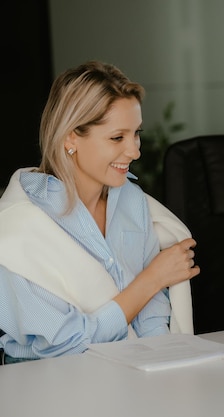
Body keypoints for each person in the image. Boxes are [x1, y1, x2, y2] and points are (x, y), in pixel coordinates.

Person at [0, 61, 200, 364]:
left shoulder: (132, 201)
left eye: (136, 134)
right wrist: (152, 278)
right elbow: (63, 345)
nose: (134, 151)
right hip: (49, 385)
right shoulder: (20, 226)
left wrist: (168, 368)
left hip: (130, 374)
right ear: (71, 138)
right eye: (117, 137)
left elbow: (152, 319)